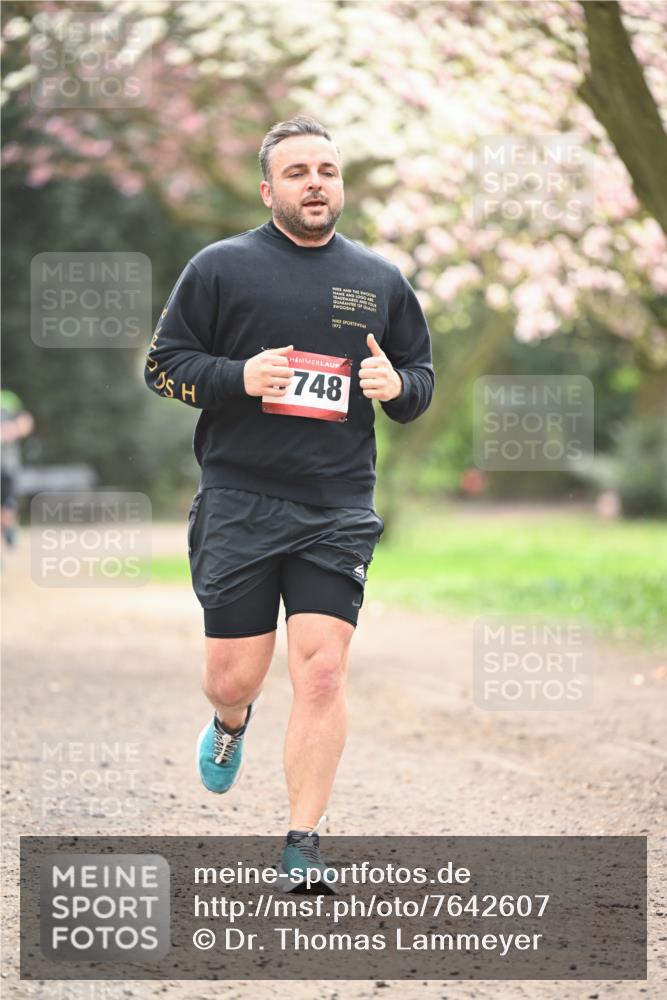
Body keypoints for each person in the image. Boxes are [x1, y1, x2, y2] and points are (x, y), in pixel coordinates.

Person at [144, 114, 434, 889]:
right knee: (234, 676)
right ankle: (230, 722)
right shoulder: (219, 268)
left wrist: (396, 387)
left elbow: (418, 378)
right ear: (269, 187)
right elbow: (162, 366)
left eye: (328, 171)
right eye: (299, 172)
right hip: (240, 496)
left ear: (341, 184)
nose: (316, 183)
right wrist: (238, 376)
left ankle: (302, 841)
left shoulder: (378, 279)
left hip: (336, 504)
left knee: (323, 673)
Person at [1, 389, 34, 550]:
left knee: (7, 506)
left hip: (7, 463)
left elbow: (26, 422)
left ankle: (9, 532)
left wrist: (13, 430)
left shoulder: (8, 399)